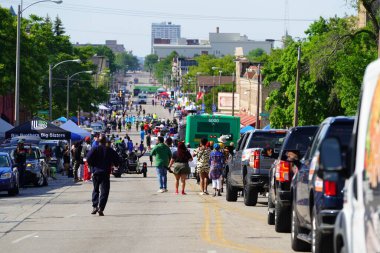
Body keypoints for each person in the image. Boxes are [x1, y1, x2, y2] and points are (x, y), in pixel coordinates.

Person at [86, 135, 120, 216]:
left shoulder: (95, 148)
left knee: (95, 189)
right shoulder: (109, 150)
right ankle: (101, 208)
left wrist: (93, 165)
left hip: (96, 172)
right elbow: (117, 159)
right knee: (105, 191)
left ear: (99, 141)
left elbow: (88, 158)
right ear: (105, 141)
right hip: (105, 173)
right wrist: (115, 164)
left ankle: (95, 206)